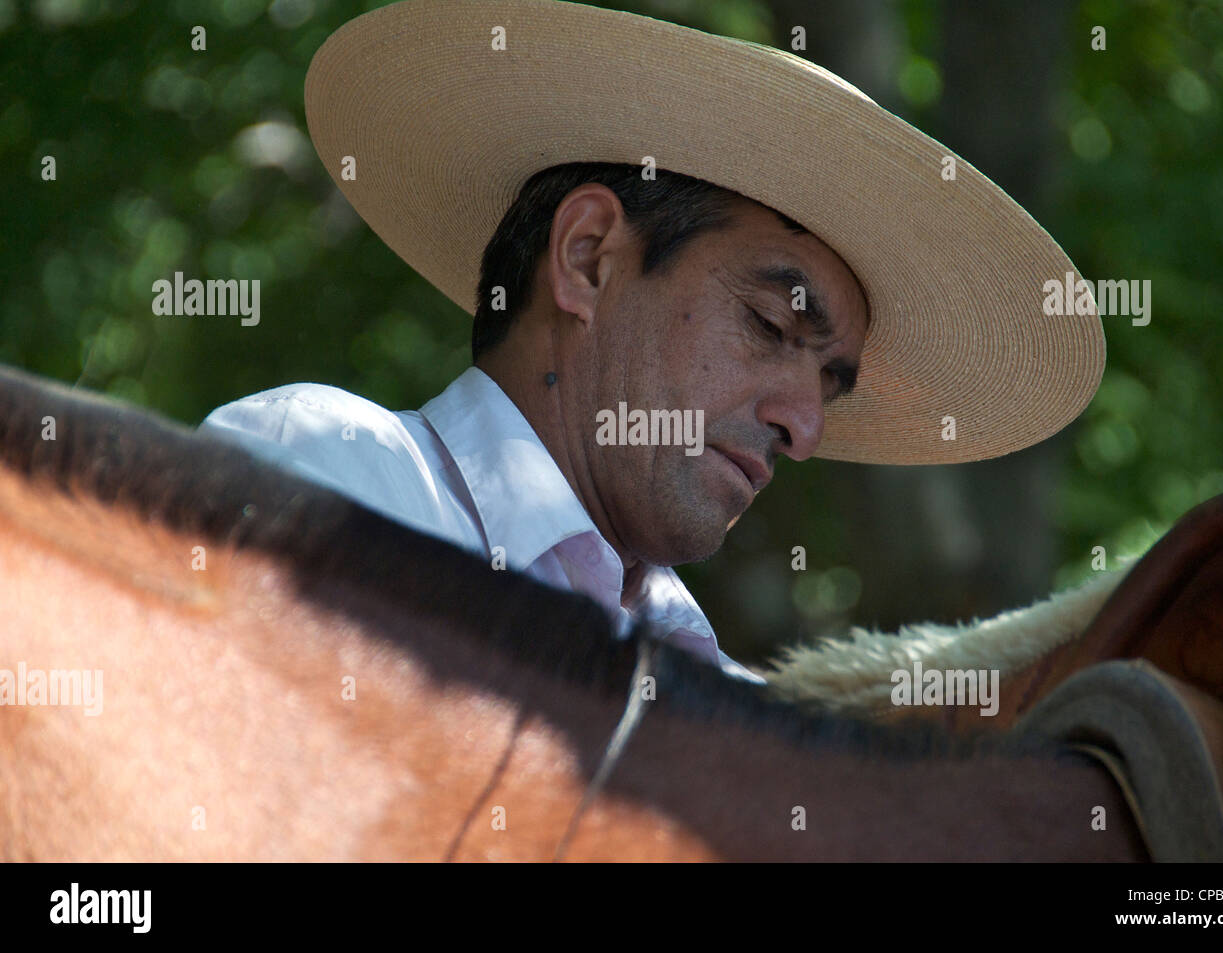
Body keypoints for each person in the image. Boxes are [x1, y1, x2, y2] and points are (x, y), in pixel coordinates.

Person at [200, 0, 1105, 684]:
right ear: (587, 259)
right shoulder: (329, 471)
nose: (806, 427)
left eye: (830, 385)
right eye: (772, 324)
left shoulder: (736, 704)